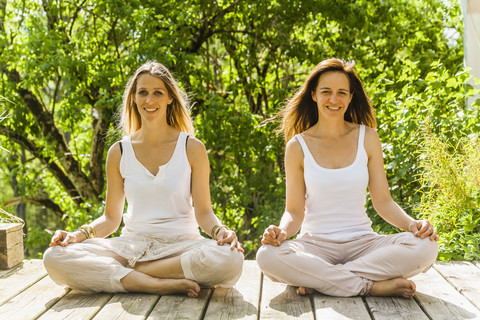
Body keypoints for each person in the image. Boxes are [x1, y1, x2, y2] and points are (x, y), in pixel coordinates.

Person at [43, 61, 244, 298]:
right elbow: (110, 219)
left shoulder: (191, 148)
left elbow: (204, 212)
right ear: (133, 98)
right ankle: (156, 284)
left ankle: (134, 274)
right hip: (131, 246)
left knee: (231, 258)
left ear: (170, 98)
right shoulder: (118, 152)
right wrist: (79, 234)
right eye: (143, 93)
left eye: (158, 93)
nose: (150, 100)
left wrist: (220, 231)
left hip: (182, 245)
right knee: (55, 256)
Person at [256, 58, 438, 299]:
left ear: (351, 97)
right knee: (267, 255)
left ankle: (322, 280)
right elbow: (294, 212)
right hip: (315, 246)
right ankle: (369, 286)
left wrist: (412, 224)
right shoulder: (297, 146)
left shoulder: (367, 137)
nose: (334, 99)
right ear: (313, 95)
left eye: (342, 92)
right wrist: (280, 231)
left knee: (426, 246)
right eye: (326, 92)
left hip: (363, 245)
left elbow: (383, 201)